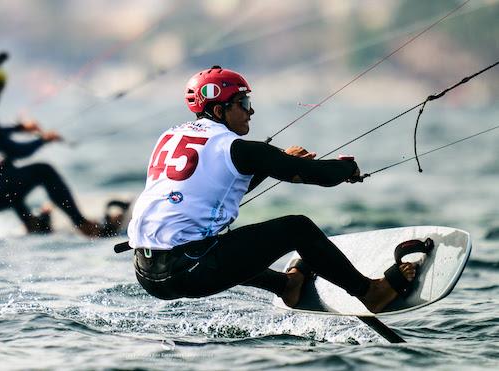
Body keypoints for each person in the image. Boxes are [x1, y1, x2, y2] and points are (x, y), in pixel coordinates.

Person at [120, 66, 417, 313]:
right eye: (244, 104)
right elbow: (315, 176)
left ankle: (286, 285)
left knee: (216, 243)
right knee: (297, 228)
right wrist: (347, 170)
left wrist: (275, 162)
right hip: (188, 272)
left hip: (146, 273)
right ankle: (370, 292)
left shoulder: (170, 136)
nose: (251, 111)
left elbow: (219, 189)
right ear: (221, 109)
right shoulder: (237, 147)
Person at [0, 51, 125, 236]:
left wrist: (18, 128)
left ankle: (31, 223)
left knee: (4, 165)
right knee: (43, 171)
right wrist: (43, 140)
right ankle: (85, 226)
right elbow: (15, 150)